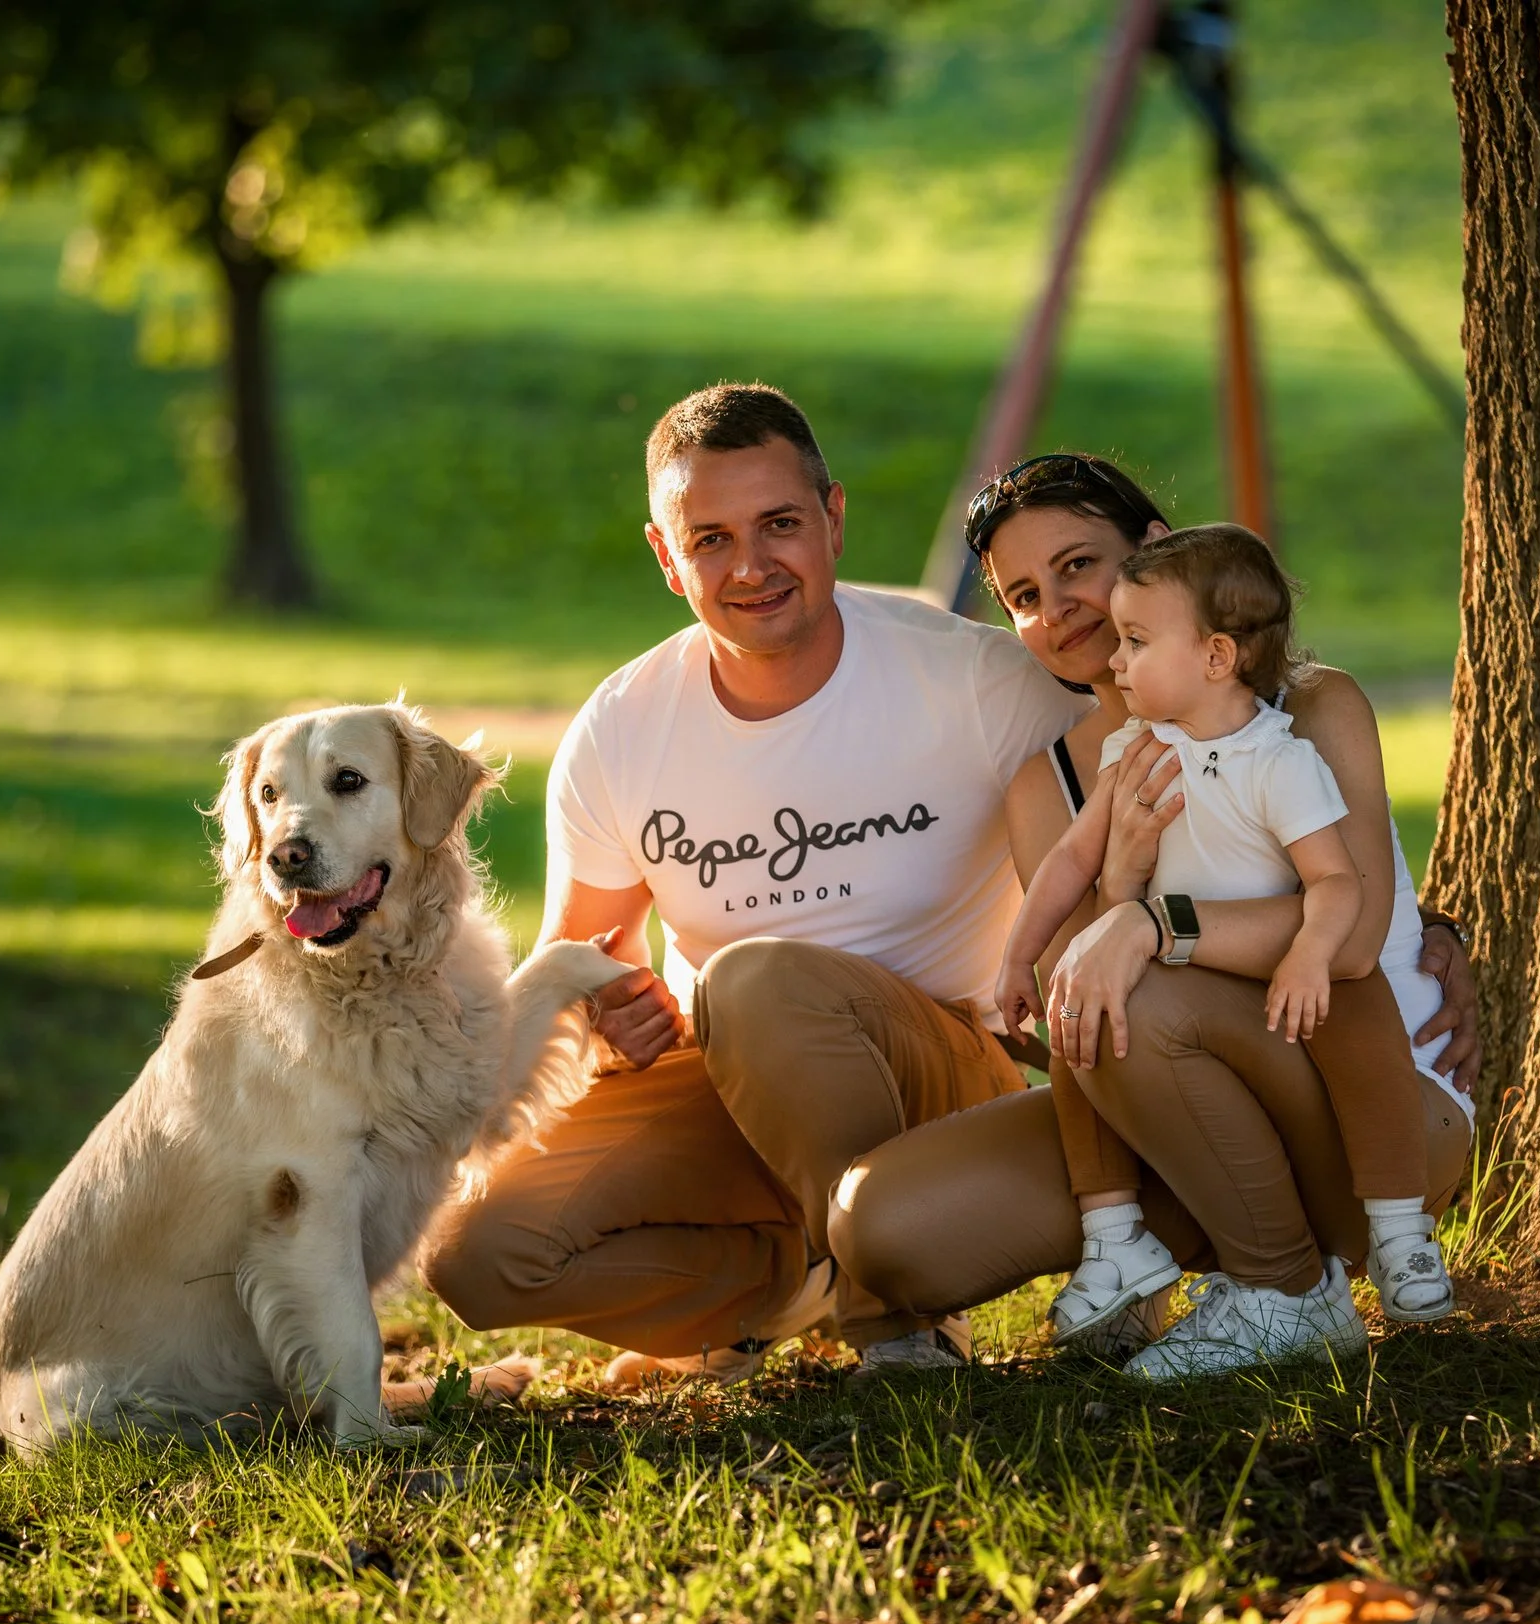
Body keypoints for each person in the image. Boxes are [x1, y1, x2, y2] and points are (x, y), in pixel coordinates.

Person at [417, 385, 1090, 1385]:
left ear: (833, 517)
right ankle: (805, 1286)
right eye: (711, 538)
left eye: (779, 523)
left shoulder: (974, 680)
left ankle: (898, 1328)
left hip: (941, 1072)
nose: (750, 566)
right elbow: (580, 957)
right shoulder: (623, 726)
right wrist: (609, 1009)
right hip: (727, 1079)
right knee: (479, 1253)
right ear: (665, 555)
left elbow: (1113, 878)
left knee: (754, 977)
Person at [827, 452, 1480, 1380]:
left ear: (1156, 552)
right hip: (1170, 1115)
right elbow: (1075, 1001)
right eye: (1022, 593)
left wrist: (1150, 923)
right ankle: (1146, 1253)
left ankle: (1287, 1287)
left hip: (1371, 1115)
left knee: (1142, 999)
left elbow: (1356, 937)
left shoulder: (1309, 707)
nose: (1057, 607)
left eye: (1078, 564)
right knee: (887, 1223)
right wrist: (1122, 873)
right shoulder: (1047, 781)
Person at [994, 520, 1453, 1348]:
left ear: (1214, 657)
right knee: (1080, 1015)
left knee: (1360, 1011)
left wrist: (1310, 953)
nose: (1116, 660)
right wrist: (1023, 954)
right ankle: (1113, 1235)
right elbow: (1071, 856)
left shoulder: (1278, 758)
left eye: (1134, 640)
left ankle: (1399, 1230)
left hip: (1282, 971)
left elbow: (1334, 883)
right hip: (1191, 989)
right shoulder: (1134, 748)